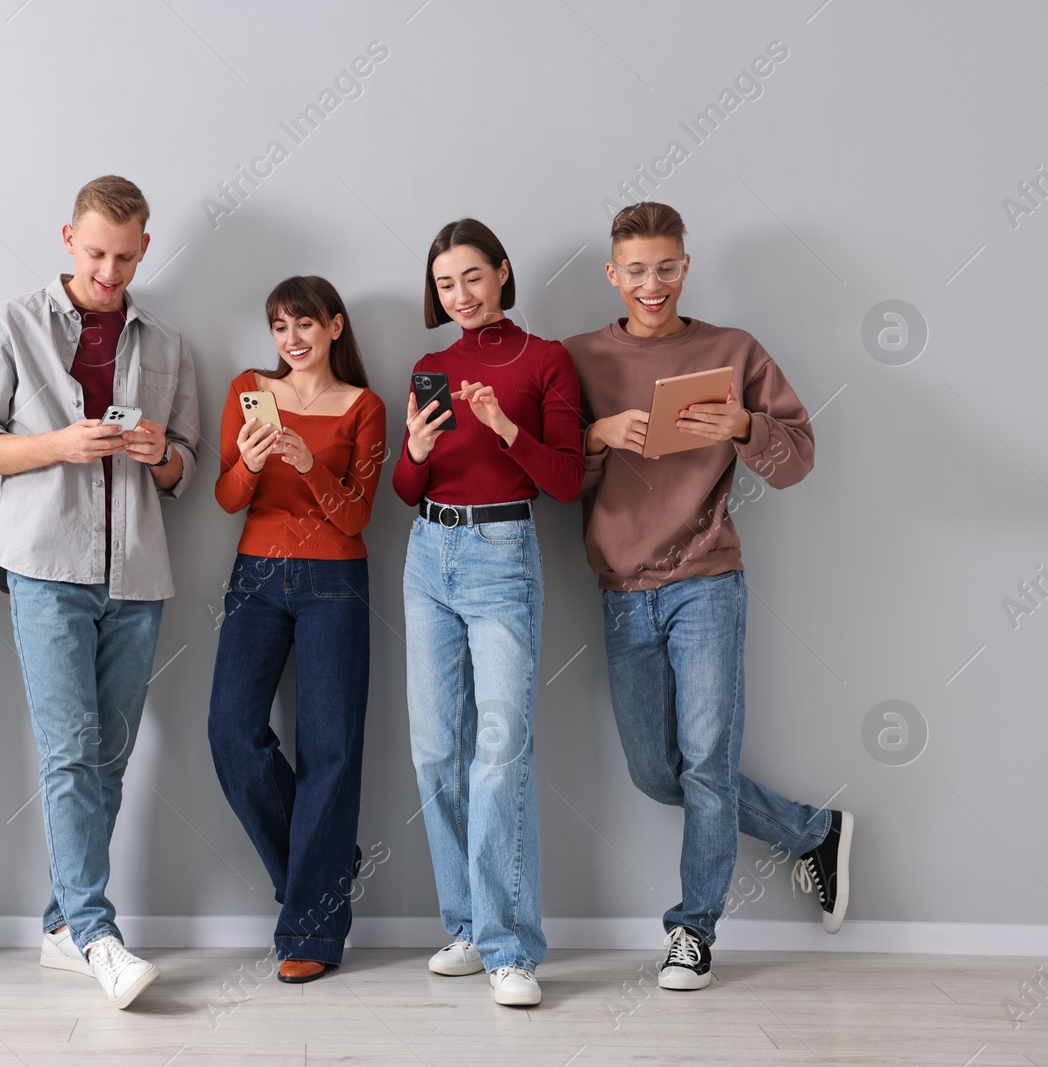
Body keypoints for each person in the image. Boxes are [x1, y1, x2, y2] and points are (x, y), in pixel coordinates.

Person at [565, 201, 853, 992]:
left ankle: (693, 930)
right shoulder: (579, 357)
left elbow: (796, 459)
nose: (650, 283)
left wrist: (742, 426)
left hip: (707, 583)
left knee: (709, 764)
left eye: (666, 267)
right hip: (622, 589)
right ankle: (814, 830)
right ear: (612, 274)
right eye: (636, 269)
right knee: (660, 771)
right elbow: (547, 475)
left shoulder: (733, 350)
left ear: (685, 267)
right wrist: (595, 437)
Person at [0, 175, 200, 1010]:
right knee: (68, 749)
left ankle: (63, 921)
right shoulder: (9, 324)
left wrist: (162, 450)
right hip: (43, 569)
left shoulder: (165, 343)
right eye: (96, 253)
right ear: (68, 238)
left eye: (125, 257)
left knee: (110, 756)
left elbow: (185, 471)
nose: (109, 270)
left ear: (145, 248)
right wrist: (59, 443)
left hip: (137, 571)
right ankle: (97, 932)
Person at [392, 219, 585, 1007]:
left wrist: (507, 429)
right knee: (437, 749)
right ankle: (468, 926)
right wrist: (411, 448)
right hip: (426, 553)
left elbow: (567, 481)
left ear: (503, 274)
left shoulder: (547, 361)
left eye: (473, 276)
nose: (461, 295)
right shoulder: (432, 366)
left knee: (500, 751)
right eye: (446, 283)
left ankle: (512, 946)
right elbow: (407, 490)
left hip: (503, 553)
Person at [208, 276, 387, 984]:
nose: (292, 339)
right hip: (256, 577)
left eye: (305, 324)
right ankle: (326, 866)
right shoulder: (249, 388)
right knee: (231, 733)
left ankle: (311, 927)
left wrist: (309, 465)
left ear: (335, 327)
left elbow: (355, 516)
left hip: (335, 583)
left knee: (330, 750)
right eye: (280, 326)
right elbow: (226, 497)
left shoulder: (364, 407)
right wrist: (252, 462)